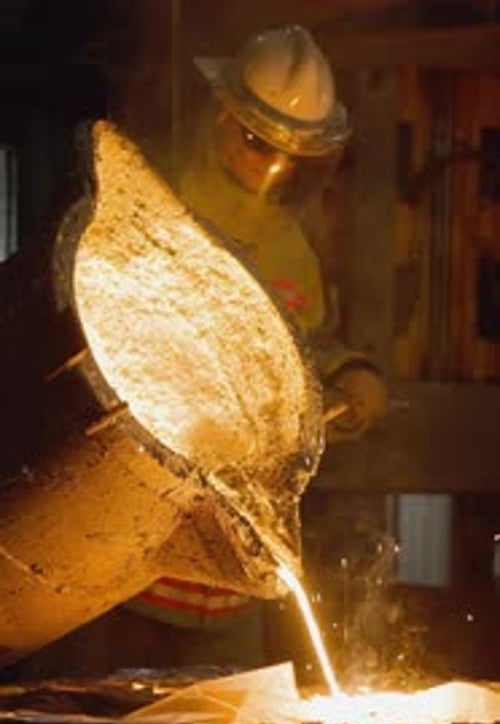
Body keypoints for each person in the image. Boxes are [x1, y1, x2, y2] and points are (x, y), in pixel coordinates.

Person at [18, 24, 387, 679]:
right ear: (222, 114)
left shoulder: (292, 250)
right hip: (122, 571)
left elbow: (302, 354)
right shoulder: (150, 208)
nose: (270, 166)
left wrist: (349, 374)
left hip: (226, 584)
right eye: (255, 141)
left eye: (290, 155)